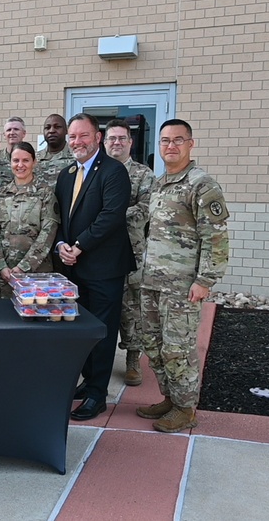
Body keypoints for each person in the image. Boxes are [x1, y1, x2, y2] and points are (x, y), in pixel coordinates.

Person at [137, 118, 229, 433]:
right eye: (165, 140)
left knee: (178, 348)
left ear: (191, 144)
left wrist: (205, 281)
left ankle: (186, 409)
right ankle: (170, 398)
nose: (171, 146)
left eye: (178, 140)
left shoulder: (202, 184)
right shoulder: (160, 183)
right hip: (152, 283)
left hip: (182, 287)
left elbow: (215, 237)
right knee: (154, 344)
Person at [54, 113, 133, 421]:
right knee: (81, 329)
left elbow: (111, 216)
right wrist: (62, 245)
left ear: (98, 137)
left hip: (104, 268)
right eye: (72, 137)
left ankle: (98, 394)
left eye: (83, 136)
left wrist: (80, 245)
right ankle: (88, 381)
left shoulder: (114, 172)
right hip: (73, 267)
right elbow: (60, 216)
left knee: (101, 330)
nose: (77, 142)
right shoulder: (67, 173)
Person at [103, 118, 154, 386]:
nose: (117, 143)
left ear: (131, 143)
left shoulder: (143, 175)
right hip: (100, 253)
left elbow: (145, 210)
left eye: (122, 138)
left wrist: (108, 216)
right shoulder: (96, 171)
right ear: (104, 141)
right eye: (112, 138)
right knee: (101, 304)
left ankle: (133, 358)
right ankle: (98, 359)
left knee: (132, 306)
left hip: (131, 251)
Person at [0, 142, 58, 298]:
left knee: (36, 319)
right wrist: (1, 267)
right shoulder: (0, 195)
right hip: (4, 276)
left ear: (34, 162)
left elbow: (48, 233)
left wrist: (23, 267)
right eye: (16, 160)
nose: (20, 165)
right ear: (10, 162)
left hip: (36, 274)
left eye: (25, 160)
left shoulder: (45, 194)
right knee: (4, 320)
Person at [35, 114, 76, 189]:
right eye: (47, 128)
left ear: (66, 130)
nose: (52, 131)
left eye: (57, 127)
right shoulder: (34, 159)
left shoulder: (76, 157)